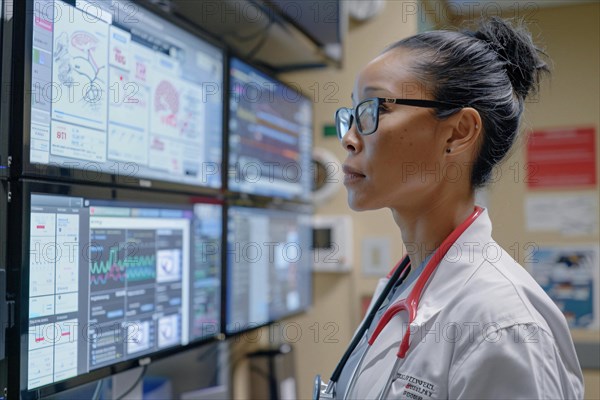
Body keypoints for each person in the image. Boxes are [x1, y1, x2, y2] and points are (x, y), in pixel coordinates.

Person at [314, 17, 584, 399]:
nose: (349, 140)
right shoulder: (400, 291)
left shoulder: (504, 327)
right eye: (352, 114)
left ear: (458, 133)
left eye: (373, 109)